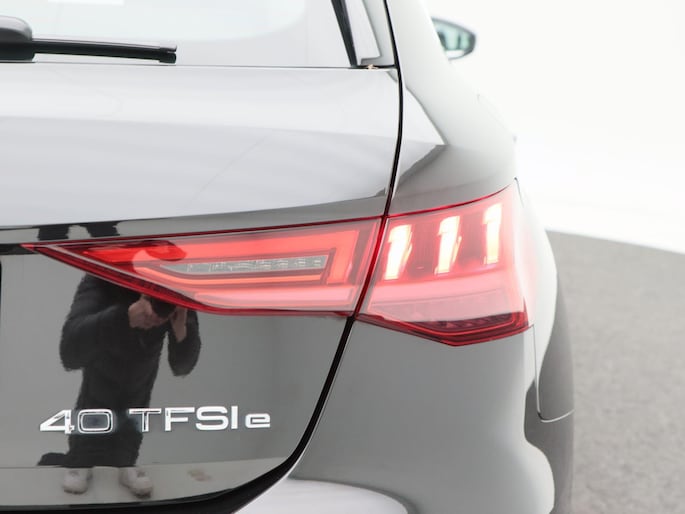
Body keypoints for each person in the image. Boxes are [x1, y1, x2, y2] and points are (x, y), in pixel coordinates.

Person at [58, 274, 201, 497]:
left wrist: (181, 330)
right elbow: (69, 352)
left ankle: (126, 464)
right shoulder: (101, 279)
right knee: (94, 410)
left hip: (138, 400)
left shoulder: (174, 288)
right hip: (94, 401)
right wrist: (123, 317)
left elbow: (182, 367)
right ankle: (81, 461)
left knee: (133, 416)